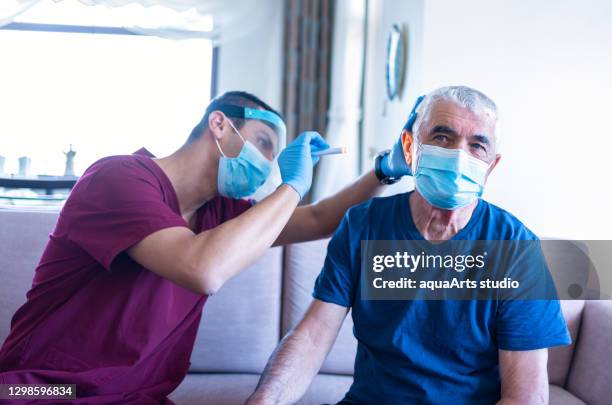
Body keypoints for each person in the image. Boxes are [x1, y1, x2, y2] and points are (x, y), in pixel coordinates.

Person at [0, 91, 411, 404]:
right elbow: (203, 268)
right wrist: (292, 186)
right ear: (219, 124)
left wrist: (384, 170)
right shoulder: (118, 178)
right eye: (265, 143)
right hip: (44, 390)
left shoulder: (222, 212)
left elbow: (320, 218)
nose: (268, 163)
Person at [247, 86, 571, 405]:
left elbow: (526, 397)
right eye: (442, 137)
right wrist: (266, 397)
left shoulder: (516, 248)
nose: (458, 156)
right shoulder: (364, 224)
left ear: (491, 166)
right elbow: (313, 335)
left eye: (476, 146)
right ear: (410, 147)